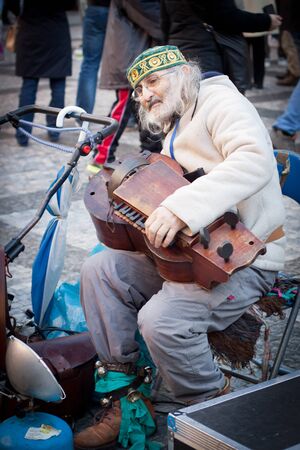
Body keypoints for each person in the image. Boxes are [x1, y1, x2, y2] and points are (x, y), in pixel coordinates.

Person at [74, 45, 285, 450]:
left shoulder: (221, 101)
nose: (144, 95)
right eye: (138, 90)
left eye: (152, 81)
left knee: (161, 320)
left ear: (184, 72)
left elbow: (254, 160)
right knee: (100, 271)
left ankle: (212, 412)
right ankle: (126, 400)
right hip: (189, 259)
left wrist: (179, 209)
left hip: (245, 260)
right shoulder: (176, 126)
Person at [87, 0, 163, 174]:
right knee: (123, 107)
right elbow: (152, 18)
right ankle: (101, 156)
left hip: (135, 53)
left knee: (144, 107)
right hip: (129, 56)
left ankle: (150, 153)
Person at [161, 0, 282, 93]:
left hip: (177, 51)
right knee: (216, 108)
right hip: (207, 53)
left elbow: (164, 22)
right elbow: (226, 17)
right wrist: (266, 21)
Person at [14, 1, 73, 146]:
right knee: (58, 85)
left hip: (30, 29)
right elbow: (70, 4)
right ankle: (54, 130)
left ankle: (23, 133)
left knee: (29, 84)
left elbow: (12, 5)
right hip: (56, 32)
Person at [75, 0, 110, 114]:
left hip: (95, 8)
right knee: (123, 61)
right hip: (119, 11)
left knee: (90, 64)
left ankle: (82, 114)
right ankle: (128, 115)